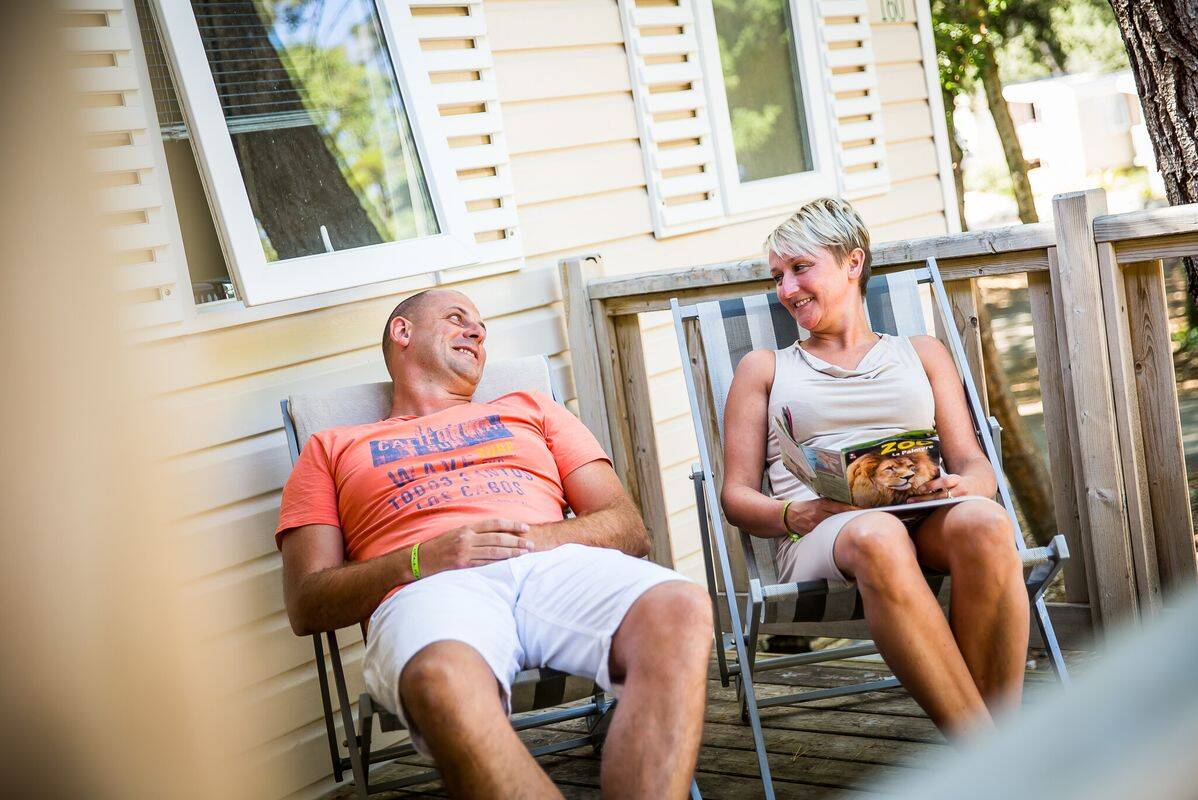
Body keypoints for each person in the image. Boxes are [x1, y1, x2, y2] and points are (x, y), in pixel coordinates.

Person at [276, 289, 712, 798]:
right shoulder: (331, 448)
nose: (477, 332)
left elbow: (628, 528)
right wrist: (422, 559)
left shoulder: (531, 409)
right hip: (429, 590)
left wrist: (533, 539)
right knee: (440, 679)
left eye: (481, 328)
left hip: (553, 565)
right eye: (457, 319)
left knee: (681, 607)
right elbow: (307, 601)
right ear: (402, 332)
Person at [720, 198, 1029, 738]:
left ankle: (1000, 747)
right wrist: (797, 513)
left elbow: (975, 466)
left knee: (986, 522)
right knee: (878, 535)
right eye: (778, 277)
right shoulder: (765, 368)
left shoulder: (922, 353)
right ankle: (990, 752)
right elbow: (736, 496)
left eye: (800, 268)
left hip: (924, 516)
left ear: (853, 262)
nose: (787, 289)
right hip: (825, 533)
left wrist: (959, 487)